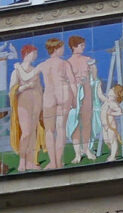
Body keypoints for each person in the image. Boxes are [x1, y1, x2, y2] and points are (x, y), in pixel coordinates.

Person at [37, 37, 76, 171]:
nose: (63, 49)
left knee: (49, 131)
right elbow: (72, 82)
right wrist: (75, 100)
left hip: (49, 95)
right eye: (62, 47)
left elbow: (29, 77)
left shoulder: (43, 65)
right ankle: (58, 162)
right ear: (56, 48)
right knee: (60, 129)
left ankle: (53, 162)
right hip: (63, 93)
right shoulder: (64, 63)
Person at [9, 44, 44, 171]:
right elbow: (12, 90)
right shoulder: (16, 71)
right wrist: (25, 87)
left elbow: (39, 88)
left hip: (36, 103)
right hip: (23, 104)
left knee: (33, 132)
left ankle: (31, 161)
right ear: (27, 54)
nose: (36, 55)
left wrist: (42, 103)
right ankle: (22, 162)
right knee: (26, 132)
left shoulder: (34, 70)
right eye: (34, 53)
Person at [66, 36, 98, 163]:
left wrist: (93, 70)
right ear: (74, 46)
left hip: (87, 92)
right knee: (74, 123)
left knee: (86, 122)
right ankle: (77, 153)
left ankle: (86, 149)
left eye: (84, 45)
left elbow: (94, 78)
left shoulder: (88, 59)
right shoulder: (67, 63)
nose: (83, 47)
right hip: (74, 94)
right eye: (81, 45)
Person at [95, 79, 123, 161]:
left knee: (112, 140)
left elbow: (120, 112)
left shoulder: (113, 103)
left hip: (111, 125)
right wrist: (99, 86)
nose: (110, 89)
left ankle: (113, 156)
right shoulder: (107, 101)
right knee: (106, 141)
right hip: (104, 125)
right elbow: (100, 95)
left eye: (112, 89)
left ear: (116, 94)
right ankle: (114, 151)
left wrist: (111, 113)